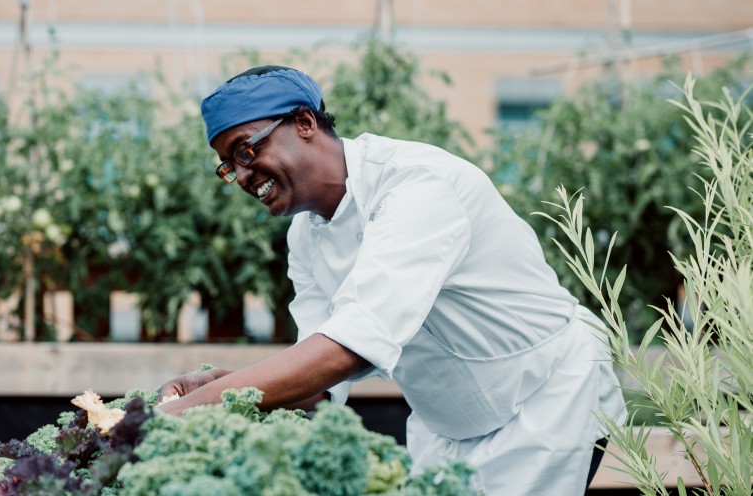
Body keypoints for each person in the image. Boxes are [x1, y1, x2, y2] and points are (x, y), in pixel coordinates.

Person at [156, 65, 626, 495]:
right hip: (451, 426)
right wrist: (224, 384)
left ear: (303, 122)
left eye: (245, 149)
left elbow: (351, 345)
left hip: (545, 399)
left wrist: (183, 413)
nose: (240, 175)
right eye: (228, 165)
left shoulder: (416, 185)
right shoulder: (306, 235)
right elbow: (320, 377)